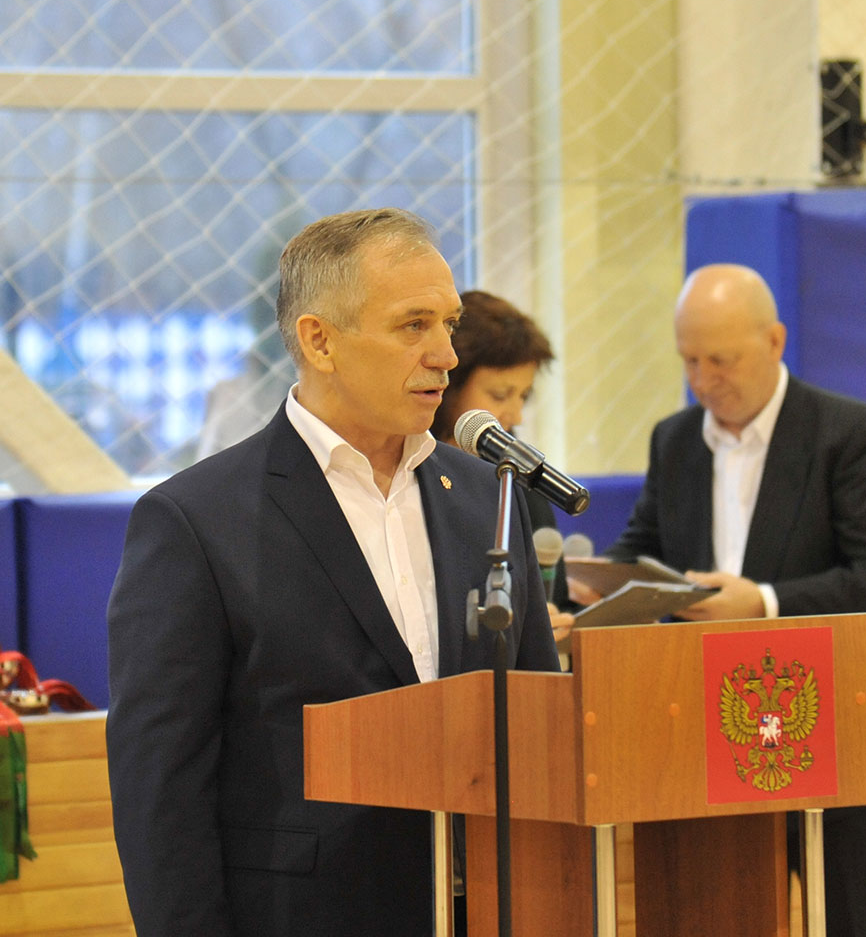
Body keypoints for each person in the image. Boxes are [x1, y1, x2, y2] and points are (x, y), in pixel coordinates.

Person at [107, 208, 560, 937]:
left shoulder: (487, 497)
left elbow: (537, 723)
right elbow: (160, 788)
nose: (446, 354)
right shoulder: (196, 520)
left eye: (448, 323)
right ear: (320, 340)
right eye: (414, 325)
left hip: (482, 907)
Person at [603, 263, 866, 937]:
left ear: (774, 341)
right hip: (703, 730)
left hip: (835, 724)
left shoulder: (849, 433)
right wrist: (589, 596)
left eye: (721, 359)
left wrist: (765, 603)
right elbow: (639, 551)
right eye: (689, 360)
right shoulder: (675, 440)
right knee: (711, 914)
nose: (702, 379)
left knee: (856, 914)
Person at [430, 290, 573, 642]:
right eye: (499, 395)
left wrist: (554, 620)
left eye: (523, 395)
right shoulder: (409, 469)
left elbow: (556, 594)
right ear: (449, 385)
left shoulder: (519, 471)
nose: (516, 415)